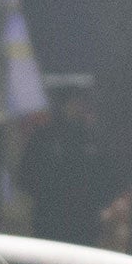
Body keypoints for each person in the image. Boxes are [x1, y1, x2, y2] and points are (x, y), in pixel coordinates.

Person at [19, 81, 114, 247]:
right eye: (74, 102)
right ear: (63, 105)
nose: (79, 107)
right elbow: (26, 175)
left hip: (84, 222)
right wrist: (48, 195)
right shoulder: (45, 138)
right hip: (50, 220)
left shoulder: (92, 139)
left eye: (82, 102)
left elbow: (108, 177)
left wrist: (95, 202)